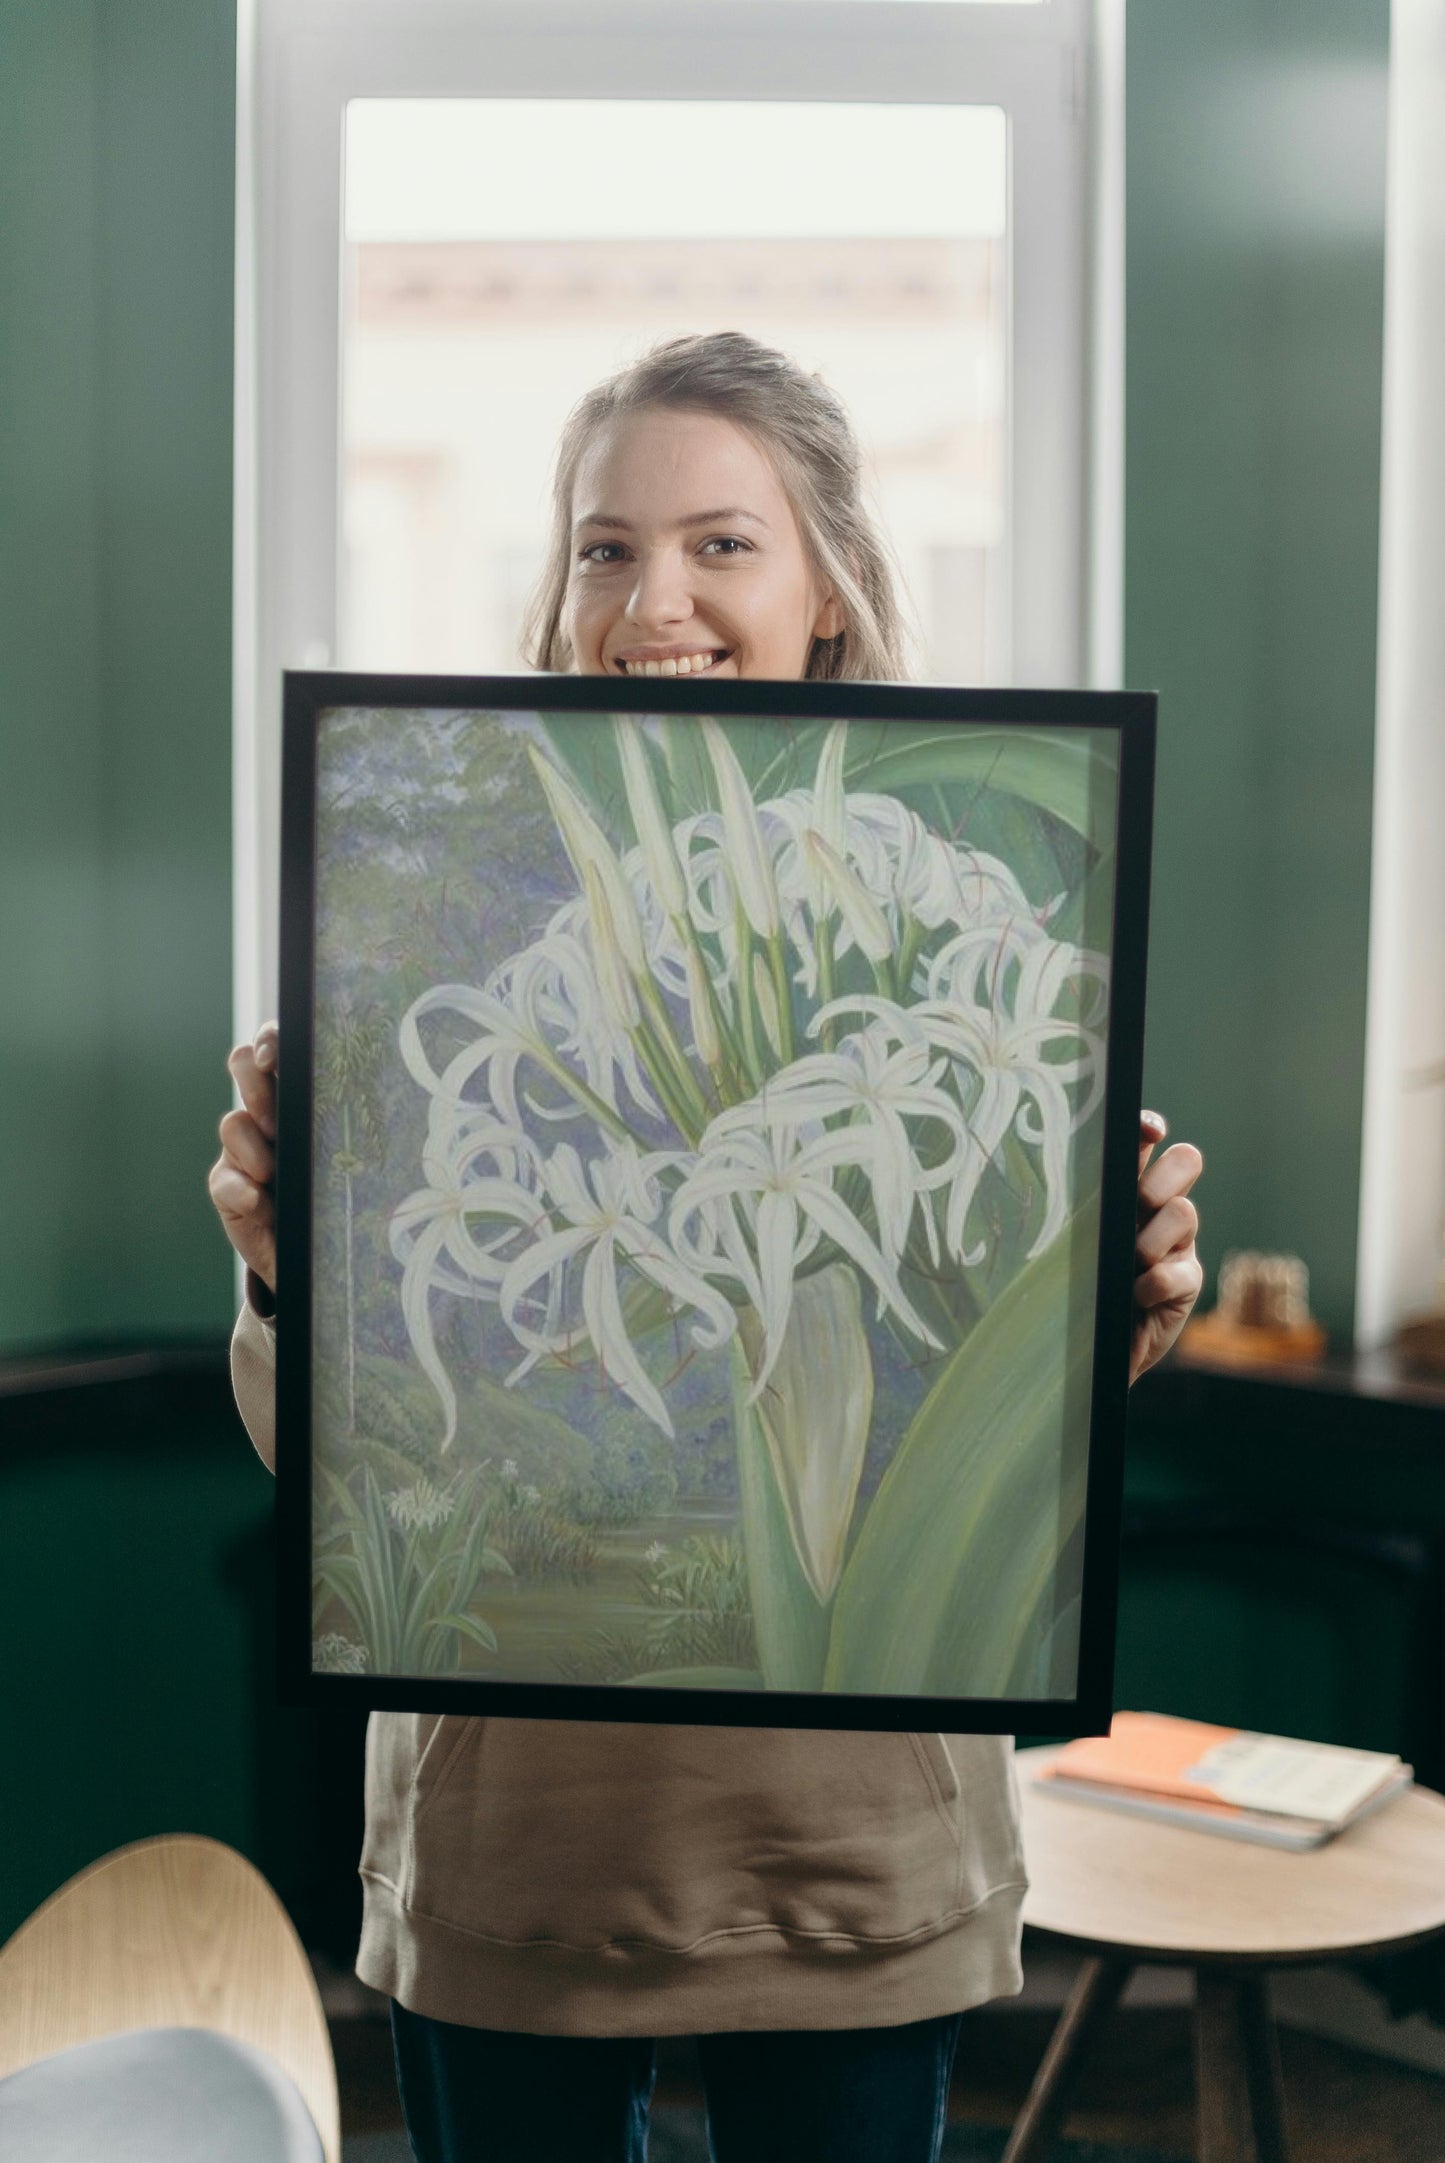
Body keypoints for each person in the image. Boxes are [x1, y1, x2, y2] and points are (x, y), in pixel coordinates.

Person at [210, 332, 1204, 2163]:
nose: (650, 597)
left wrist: (1106, 1305)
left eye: (720, 544)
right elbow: (361, 1468)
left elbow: (984, 1393)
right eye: (603, 546)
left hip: (851, 1851)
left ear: (827, 586)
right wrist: (290, 1275)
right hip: (516, 1851)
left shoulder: (972, 891)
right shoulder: (436, 931)